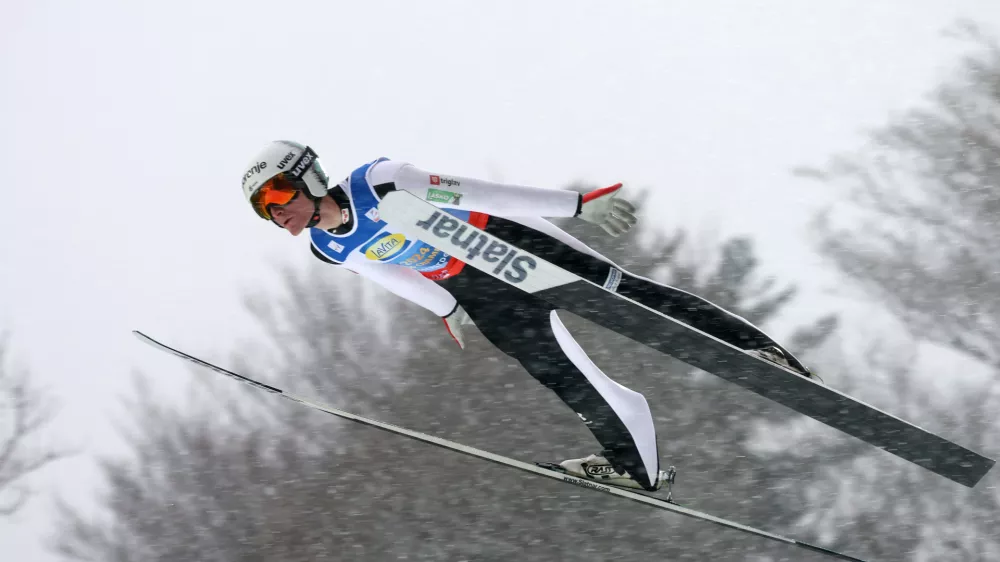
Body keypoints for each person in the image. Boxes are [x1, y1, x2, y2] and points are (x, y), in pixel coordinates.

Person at [240, 140, 816, 492]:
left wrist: (578, 206)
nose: (279, 215)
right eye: (266, 212)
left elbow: (483, 193)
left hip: (508, 245)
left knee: (632, 300)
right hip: (475, 289)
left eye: (279, 196)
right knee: (560, 375)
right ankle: (634, 463)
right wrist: (447, 308)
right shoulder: (329, 247)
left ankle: (758, 352)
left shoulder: (381, 183)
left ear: (308, 176)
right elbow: (386, 271)